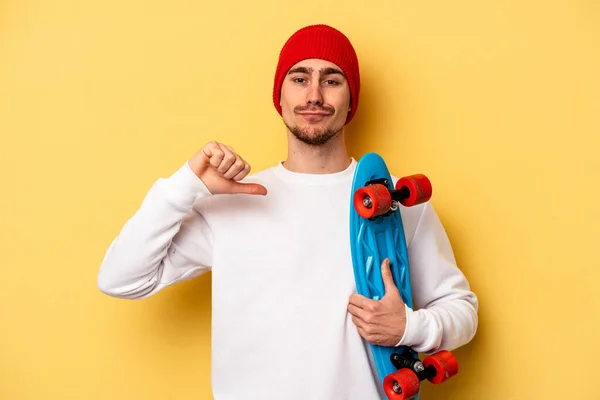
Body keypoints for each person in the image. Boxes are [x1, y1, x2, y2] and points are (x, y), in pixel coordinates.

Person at [97, 24, 478, 400]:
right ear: (279, 98)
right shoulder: (230, 203)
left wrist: (410, 326)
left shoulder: (395, 203)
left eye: (332, 80)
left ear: (351, 100)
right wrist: (185, 186)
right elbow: (121, 279)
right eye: (299, 79)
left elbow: (463, 311)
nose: (314, 95)